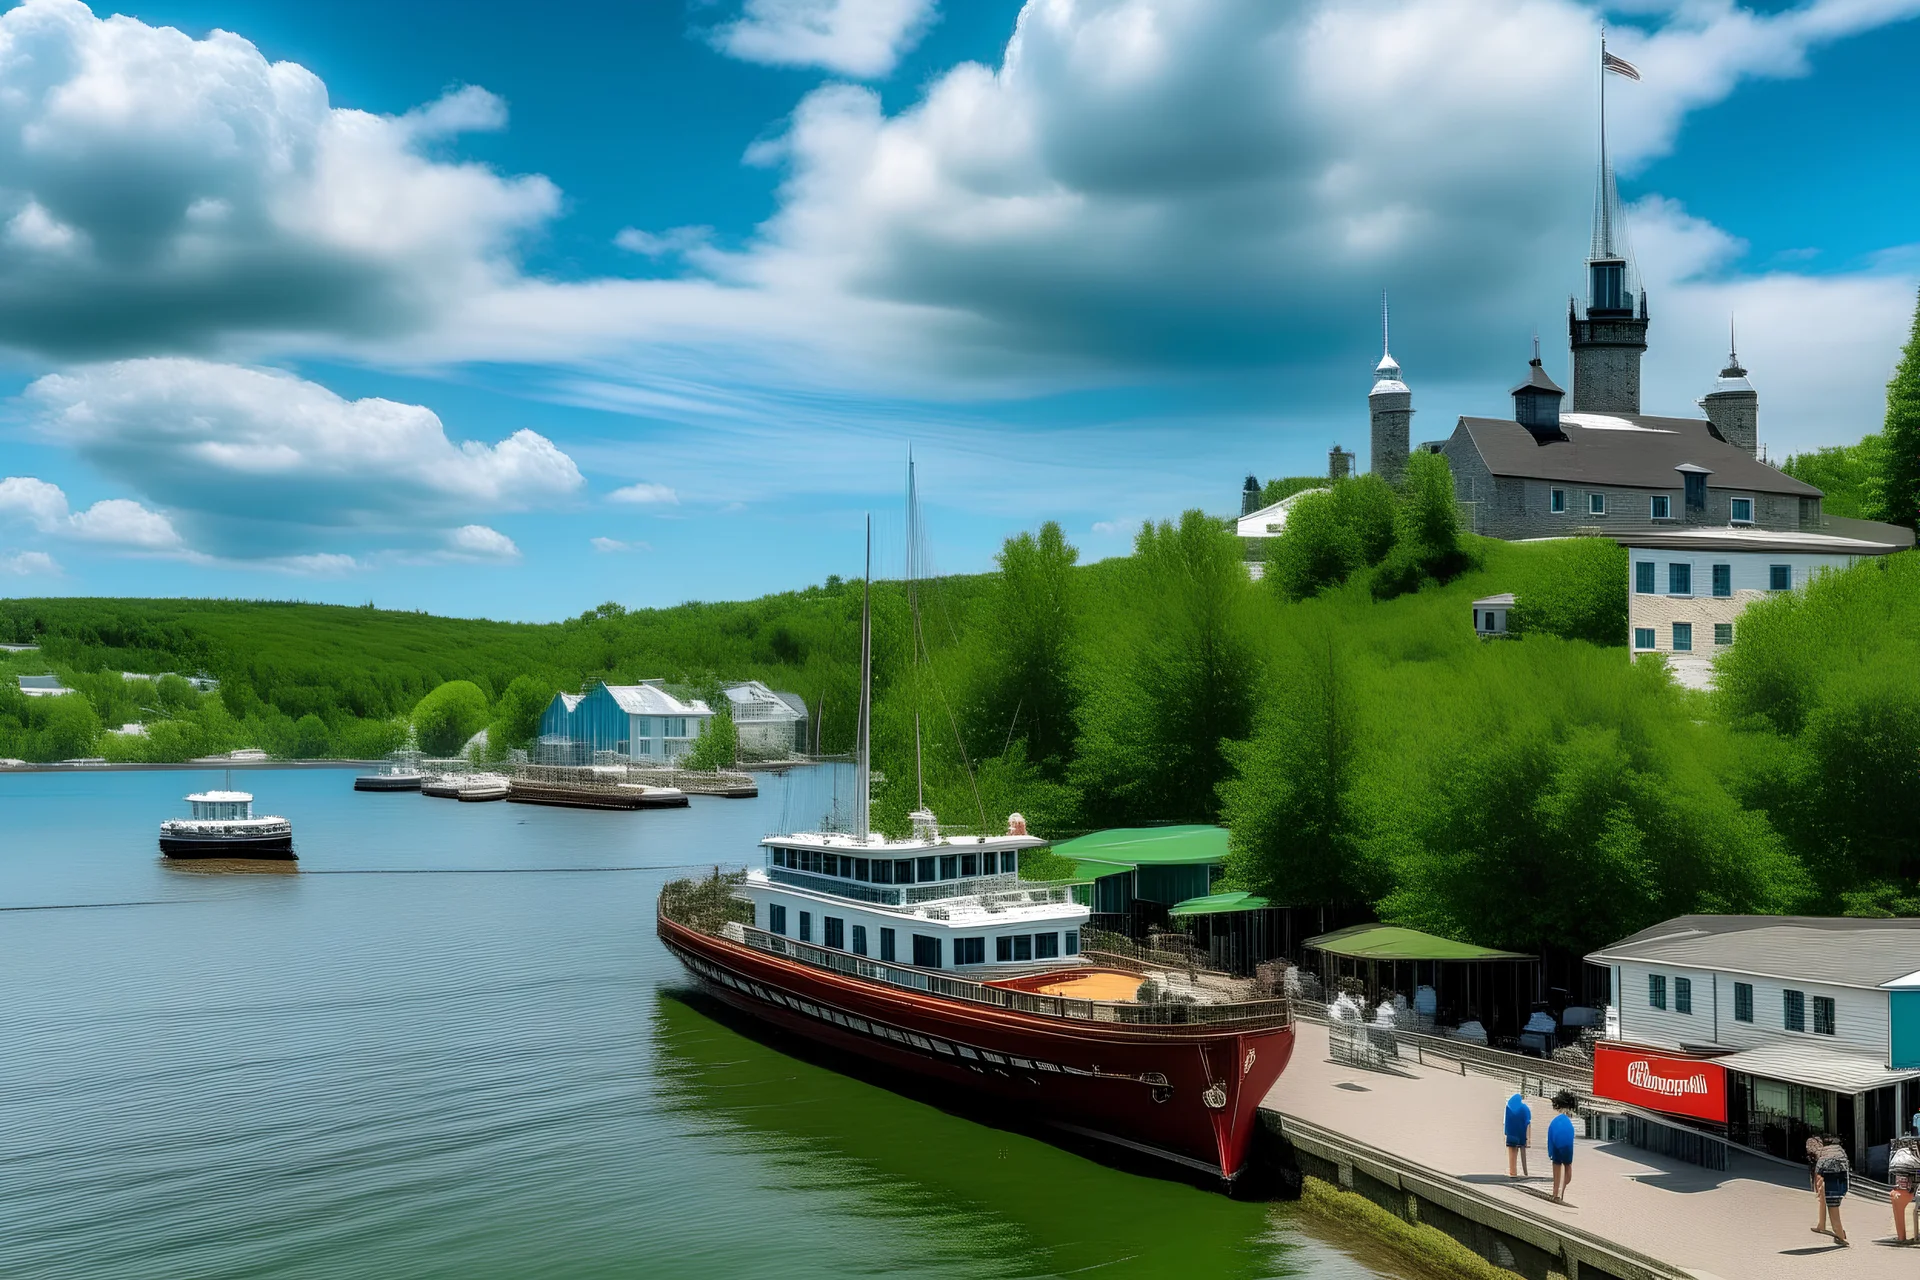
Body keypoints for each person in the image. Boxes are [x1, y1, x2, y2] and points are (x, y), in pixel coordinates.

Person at [1808, 1137, 1850, 1246]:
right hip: (1841, 1185)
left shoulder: (1823, 1155)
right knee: (1830, 1206)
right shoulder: (1841, 1153)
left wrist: (1817, 1190)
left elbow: (1818, 1173)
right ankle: (1821, 1226)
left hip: (1830, 1184)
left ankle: (1841, 1237)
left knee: (1834, 1213)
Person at [1547, 1090, 1578, 1203]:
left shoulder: (1555, 1120)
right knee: (1567, 1166)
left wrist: (1550, 1151)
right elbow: (1570, 1136)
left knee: (1556, 1165)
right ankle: (1561, 1192)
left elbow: (1550, 1135)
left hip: (1556, 1144)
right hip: (1566, 1145)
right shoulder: (1567, 1121)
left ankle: (1555, 1192)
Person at [1888, 1139, 1919, 1245]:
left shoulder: (1900, 1157)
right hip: (1907, 1191)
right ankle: (1902, 1237)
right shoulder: (1912, 1158)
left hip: (1901, 1192)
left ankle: (1901, 1237)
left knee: (1896, 1200)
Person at [1504, 1092, 1533, 1179]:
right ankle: (1525, 1174)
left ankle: (1513, 1174)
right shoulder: (1525, 1109)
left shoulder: (1508, 1107)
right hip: (1521, 1136)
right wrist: (1528, 1139)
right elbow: (1528, 1124)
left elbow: (1506, 1123)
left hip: (1511, 1136)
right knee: (1523, 1157)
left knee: (1512, 1158)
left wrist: (1506, 1133)